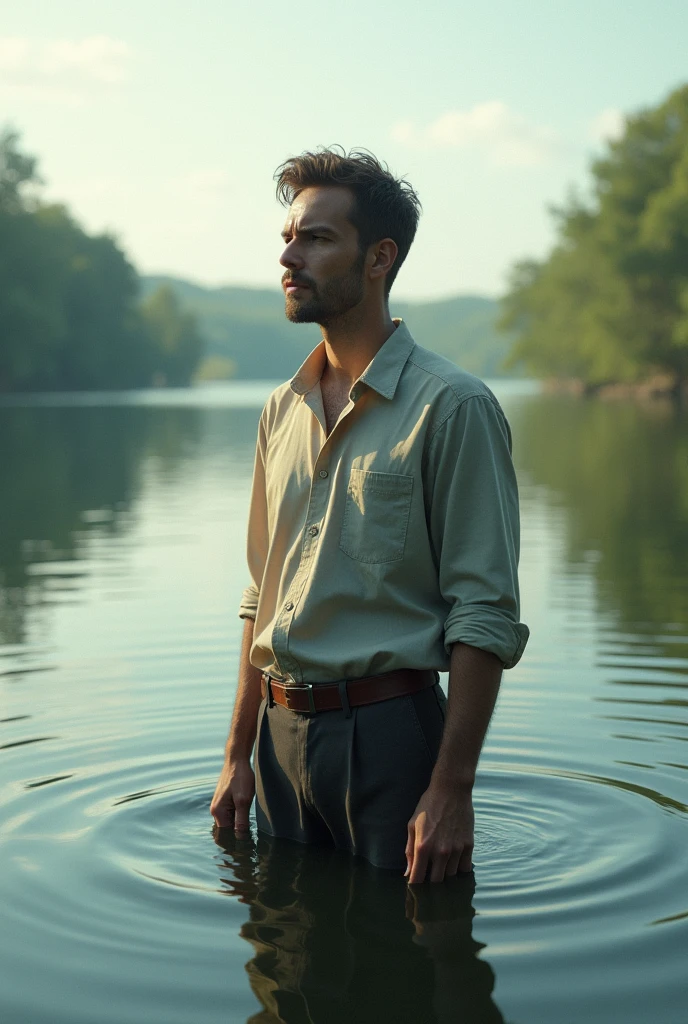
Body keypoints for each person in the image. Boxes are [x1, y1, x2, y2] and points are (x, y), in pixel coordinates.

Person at [211, 147, 529, 883]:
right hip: (277, 738)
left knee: (410, 967)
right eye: (289, 237)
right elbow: (261, 596)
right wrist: (236, 756)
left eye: (317, 238)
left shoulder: (454, 407)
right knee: (284, 966)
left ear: (379, 257)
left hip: (392, 740)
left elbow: (483, 611)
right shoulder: (279, 409)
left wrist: (452, 789)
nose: (290, 256)